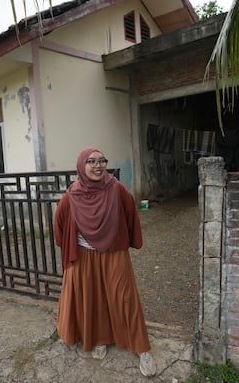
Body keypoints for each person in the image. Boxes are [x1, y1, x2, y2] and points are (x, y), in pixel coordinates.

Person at [53, 146, 157, 377]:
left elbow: (131, 213)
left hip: (114, 253)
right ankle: (99, 339)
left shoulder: (116, 189)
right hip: (83, 256)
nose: (98, 165)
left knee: (125, 298)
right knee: (92, 299)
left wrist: (125, 240)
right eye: (92, 161)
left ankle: (142, 349)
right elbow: (59, 222)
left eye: (102, 161)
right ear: (82, 165)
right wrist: (70, 244)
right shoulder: (73, 195)